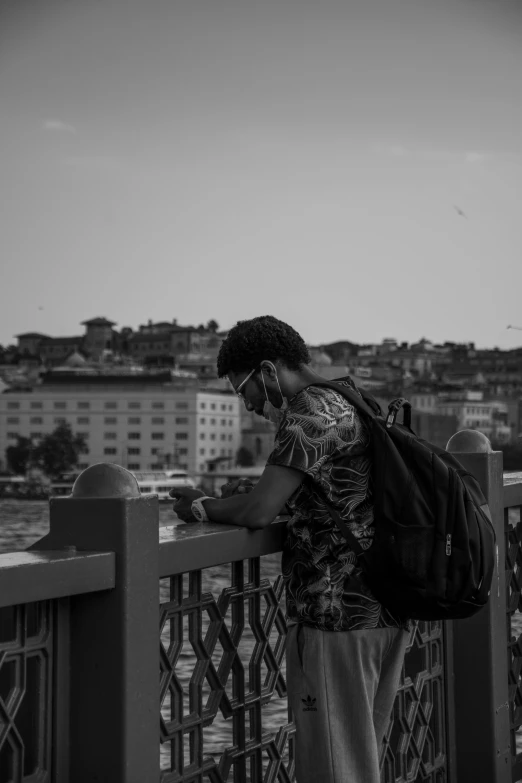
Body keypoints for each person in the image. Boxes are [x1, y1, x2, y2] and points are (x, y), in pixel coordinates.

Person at [171, 315, 410, 783]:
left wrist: (201, 509)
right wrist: (227, 498)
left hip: (335, 614)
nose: (249, 406)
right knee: (360, 762)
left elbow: (261, 511)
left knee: (335, 768)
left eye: (245, 390)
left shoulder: (308, 414)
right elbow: (304, 494)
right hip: (386, 608)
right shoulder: (350, 397)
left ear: (267, 369)